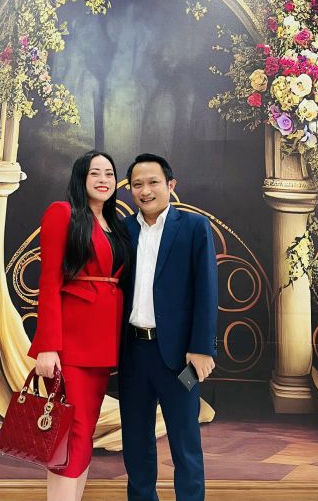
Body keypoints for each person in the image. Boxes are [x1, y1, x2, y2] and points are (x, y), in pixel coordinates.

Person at [28, 150, 130, 501]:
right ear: (81, 178)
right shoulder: (64, 213)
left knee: (84, 431)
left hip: (103, 346)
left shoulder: (116, 224)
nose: (103, 179)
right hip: (71, 344)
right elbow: (49, 281)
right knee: (70, 433)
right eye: (94, 173)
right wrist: (47, 346)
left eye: (109, 173)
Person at [119, 153, 218, 501]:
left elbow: (207, 290)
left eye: (153, 182)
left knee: (185, 442)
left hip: (179, 356)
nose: (145, 191)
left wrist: (202, 348)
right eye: (137, 185)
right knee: (136, 442)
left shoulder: (193, 227)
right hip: (133, 353)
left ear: (171, 185)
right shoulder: (123, 230)